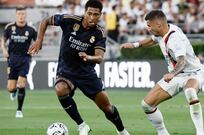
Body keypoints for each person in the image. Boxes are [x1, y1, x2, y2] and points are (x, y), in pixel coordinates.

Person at [28, 0, 129, 135]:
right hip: (66, 71)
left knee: (107, 108)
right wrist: (39, 40)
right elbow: (46, 20)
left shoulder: (99, 33)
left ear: (100, 15)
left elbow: (99, 58)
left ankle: (122, 131)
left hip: (87, 74)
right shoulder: (69, 20)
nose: (92, 17)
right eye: (89, 13)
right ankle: (82, 125)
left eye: (96, 15)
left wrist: (88, 57)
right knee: (60, 89)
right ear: (85, 12)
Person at [120, 10, 204, 135]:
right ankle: (163, 133)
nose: (148, 28)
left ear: (158, 25)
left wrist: (172, 74)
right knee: (146, 105)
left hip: (193, 73)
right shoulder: (161, 32)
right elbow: (152, 40)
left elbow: (182, 61)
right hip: (176, 75)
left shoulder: (175, 37)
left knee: (190, 91)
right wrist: (135, 45)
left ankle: (200, 133)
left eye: (149, 25)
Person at [1, 6, 37, 118]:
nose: (21, 16)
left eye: (23, 14)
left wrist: (34, 49)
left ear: (26, 15)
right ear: (16, 15)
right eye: (19, 14)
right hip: (12, 60)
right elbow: (3, 40)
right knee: (11, 88)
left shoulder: (31, 29)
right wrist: (4, 49)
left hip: (25, 59)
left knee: (21, 84)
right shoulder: (9, 27)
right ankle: (13, 92)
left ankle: (19, 110)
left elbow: (38, 42)